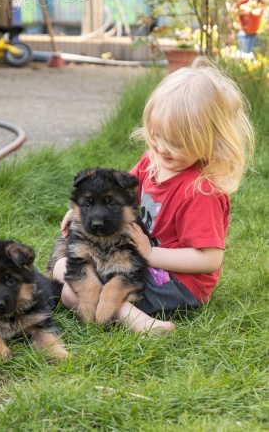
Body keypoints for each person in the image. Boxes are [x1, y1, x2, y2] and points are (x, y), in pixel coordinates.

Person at [52, 57, 255, 336]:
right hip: (140, 263)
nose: (162, 148)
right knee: (64, 267)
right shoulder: (153, 161)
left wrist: (150, 253)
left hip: (178, 282)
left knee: (70, 293)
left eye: (177, 143)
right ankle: (110, 302)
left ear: (211, 142)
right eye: (156, 134)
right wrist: (78, 212)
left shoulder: (200, 192)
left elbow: (209, 260)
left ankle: (143, 323)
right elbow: (113, 192)